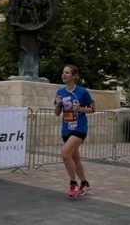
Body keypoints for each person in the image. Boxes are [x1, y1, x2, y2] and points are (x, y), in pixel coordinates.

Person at [54, 65, 95, 198]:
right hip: (66, 129)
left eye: (67, 73)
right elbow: (57, 113)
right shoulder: (60, 92)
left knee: (65, 154)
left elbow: (93, 108)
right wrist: (57, 104)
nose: (64, 75)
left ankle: (73, 183)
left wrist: (81, 109)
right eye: (63, 72)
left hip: (79, 128)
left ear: (74, 76)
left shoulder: (82, 92)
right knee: (75, 159)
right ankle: (84, 182)